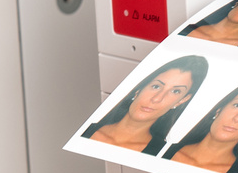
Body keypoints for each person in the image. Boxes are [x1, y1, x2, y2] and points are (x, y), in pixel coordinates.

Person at [81, 55, 209, 154]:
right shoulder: (84, 129)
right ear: (139, 90)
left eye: (175, 91)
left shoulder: (162, 154)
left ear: (182, 100)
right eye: (156, 86)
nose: (157, 98)